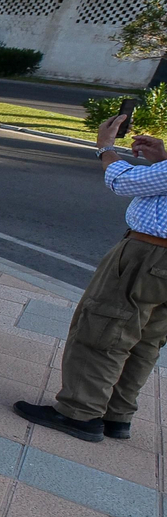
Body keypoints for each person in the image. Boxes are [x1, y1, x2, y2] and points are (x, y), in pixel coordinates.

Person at [15, 113, 167, 443]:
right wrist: (164, 161)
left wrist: (105, 148)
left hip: (149, 253)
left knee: (106, 328)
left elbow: (122, 181)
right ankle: (116, 414)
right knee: (146, 339)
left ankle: (80, 412)